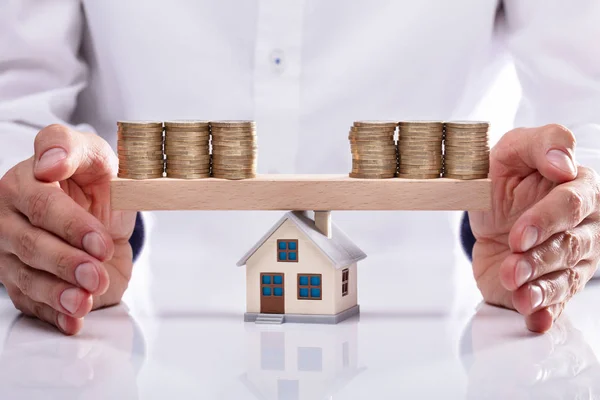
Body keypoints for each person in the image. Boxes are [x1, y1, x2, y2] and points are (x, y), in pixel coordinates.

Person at [0, 1, 598, 336]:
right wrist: (38, 212)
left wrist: (552, 210)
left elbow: (587, 111)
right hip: (112, 333)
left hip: (444, 336)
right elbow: (14, 99)